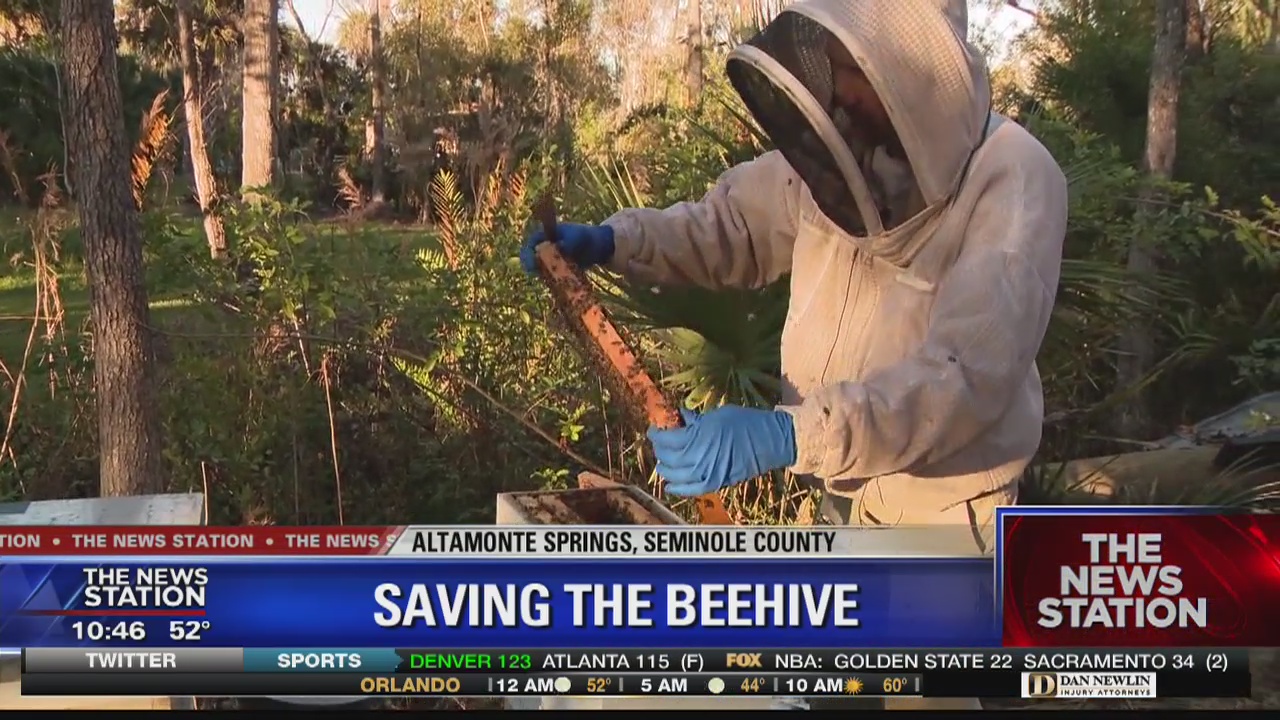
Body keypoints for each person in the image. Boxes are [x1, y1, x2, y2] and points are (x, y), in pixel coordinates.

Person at [522, 1, 1066, 706]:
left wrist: (789, 434)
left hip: (942, 520)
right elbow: (731, 228)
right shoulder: (839, 148)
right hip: (839, 494)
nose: (838, 90)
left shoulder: (1014, 178)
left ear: (906, 67)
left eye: (850, 69)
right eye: (831, 63)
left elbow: (960, 379)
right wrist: (616, 241)